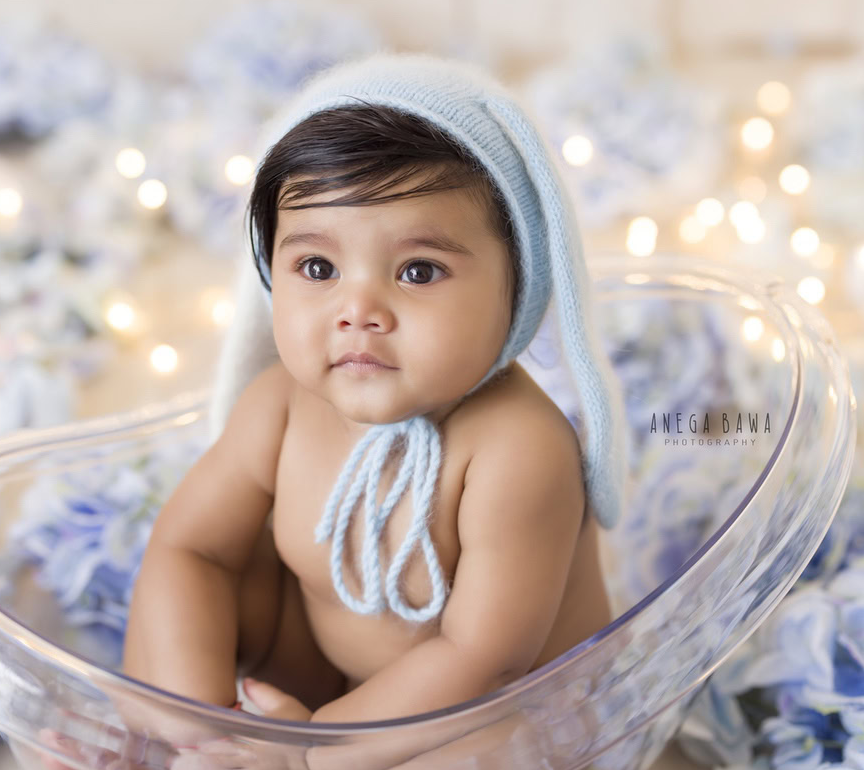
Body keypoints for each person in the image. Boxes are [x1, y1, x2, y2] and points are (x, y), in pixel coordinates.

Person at [122, 52, 629, 729]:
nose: (357, 309)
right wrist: (200, 715)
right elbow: (190, 548)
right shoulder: (280, 406)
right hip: (324, 665)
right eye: (318, 266)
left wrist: (311, 749)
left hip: (488, 713)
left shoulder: (519, 449)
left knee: (486, 742)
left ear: (519, 285)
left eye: (419, 271)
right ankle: (159, 728)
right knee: (210, 578)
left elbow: (482, 660)